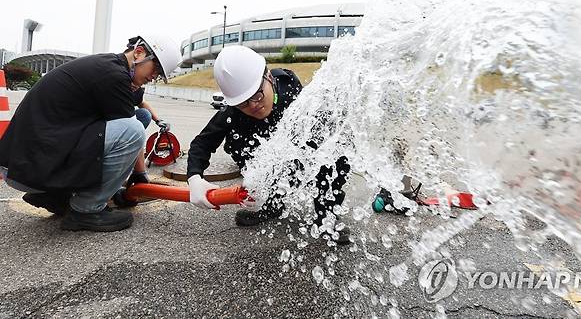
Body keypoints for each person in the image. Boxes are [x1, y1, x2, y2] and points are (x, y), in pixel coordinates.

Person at [0, 34, 181, 232]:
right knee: (134, 129)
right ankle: (86, 210)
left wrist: (123, 182)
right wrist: (139, 174)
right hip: (31, 167)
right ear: (139, 53)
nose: (153, 77)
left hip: (29, 160)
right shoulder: (114, 76)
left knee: (141, 116)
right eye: (155, 69)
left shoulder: (108, 67)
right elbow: (131, 131)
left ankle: (55, 195)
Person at [186, 46, 351, 244]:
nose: (253, 106)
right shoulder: (233, 112)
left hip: (297, 154)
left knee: (334, 151)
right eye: (243, 103)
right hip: (262, 161)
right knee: (239, 141)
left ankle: (327, 216)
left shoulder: (293, 91)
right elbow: (201, 143)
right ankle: (273, 204)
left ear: (269, 78)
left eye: (257, 95)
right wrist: (194, 178)